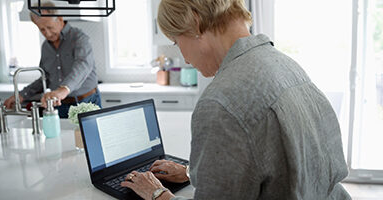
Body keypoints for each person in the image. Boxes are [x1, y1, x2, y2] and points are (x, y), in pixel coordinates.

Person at [120, 0, 351, 199]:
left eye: (176, 42)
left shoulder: (220, 102)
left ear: (195, 23)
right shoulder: (285, 65)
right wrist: (193, 172)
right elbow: (280, 164)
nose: (186, 59)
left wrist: (158, 194)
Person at [4, 1, 101, 118]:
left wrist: (63, 89)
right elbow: (45, 78)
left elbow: (83, 66)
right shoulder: (46, 47)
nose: (47, 33)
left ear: (59, 19)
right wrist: (21, 95)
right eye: (42, 29)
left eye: (49, 27)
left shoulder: (79, 38)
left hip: (86, 101)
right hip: (60, 105)